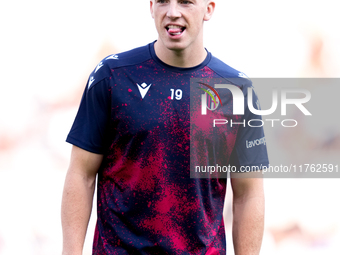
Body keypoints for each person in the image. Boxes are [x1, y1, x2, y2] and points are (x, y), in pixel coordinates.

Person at [61, 0, 268, 254]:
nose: (172, 12)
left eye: (185, 2)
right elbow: (81, 174)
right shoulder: (112, 75)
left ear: (209, 9)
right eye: (162, 2)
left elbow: (248, 194)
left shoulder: (236, 90)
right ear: (151, 7)